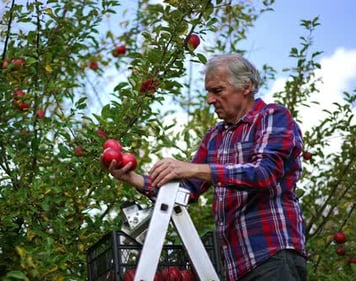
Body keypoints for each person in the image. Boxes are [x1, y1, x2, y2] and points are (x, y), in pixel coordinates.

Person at [107, 53, 308, 281]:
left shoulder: (271, 117)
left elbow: (263, 173)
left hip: (271, 254)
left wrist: (191, 168)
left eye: (218, 91)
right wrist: (132, 178)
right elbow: (186, 189)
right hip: (234, 266)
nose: (210, 100)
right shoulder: (215, 137)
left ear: (246, 87)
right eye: (208, 92)